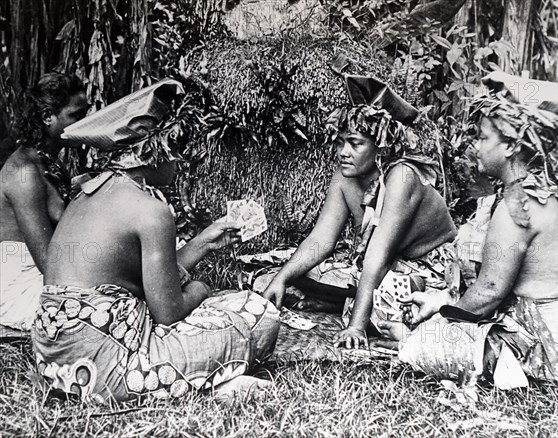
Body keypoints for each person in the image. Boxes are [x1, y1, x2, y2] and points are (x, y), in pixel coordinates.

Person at [31, 79, 280, 402]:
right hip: (108, 367)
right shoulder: (151, 210)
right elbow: (169, 313)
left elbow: (143, 280)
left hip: (54, 363)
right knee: (259, 314)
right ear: (153, 153)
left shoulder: (90, 192)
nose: (180, 161)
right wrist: (201, 290)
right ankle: (203, 385)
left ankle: (202, 381)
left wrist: (203, 242)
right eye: (176, 151)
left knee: (227, 308)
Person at [380, 91, 558, 385]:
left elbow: (489, 293)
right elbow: (498, 288)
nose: (475, 146)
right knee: (452, 330)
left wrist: (432, 327)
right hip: (551, 333)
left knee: (432, 344)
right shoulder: (522, 195)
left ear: (509, 146)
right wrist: (443, 300)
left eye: (483, 139)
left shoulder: (519, 207)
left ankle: (409, 340)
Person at [262, 75, 457, 349]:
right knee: (285, 271)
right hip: (375, 265)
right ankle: (345, 301)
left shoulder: (402, 176)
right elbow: (321, 241)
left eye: (355, 143)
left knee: (390, 305)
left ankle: (350, 307)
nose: (344, 152)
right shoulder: (345, 177)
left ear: (381, 145)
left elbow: (378, 254)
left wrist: (355, 326)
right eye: (341, 142)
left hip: (425, 272)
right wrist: (280, 280)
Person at [1, 73, 88, 333]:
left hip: (45, 270)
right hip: (19, 285)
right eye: (76, 116)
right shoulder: (24, 173)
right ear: (48, 116)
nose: (86, 123)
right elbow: (50, 264)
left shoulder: (48, 161)